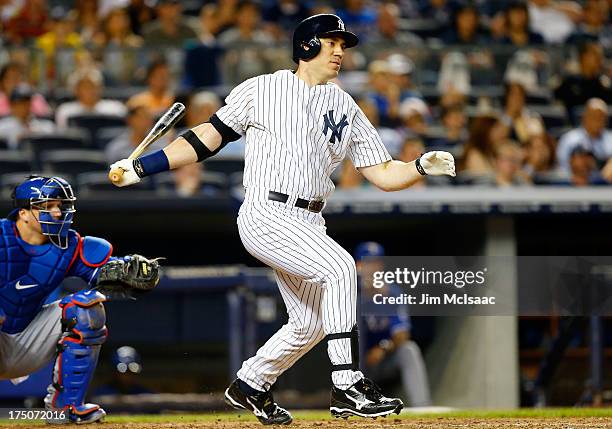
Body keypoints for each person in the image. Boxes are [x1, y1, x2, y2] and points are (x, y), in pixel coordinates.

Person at [109, 13, 455, 424]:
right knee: (343, 268)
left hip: (310, 220)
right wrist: (142, 167)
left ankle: (250, 383)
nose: (341, 51)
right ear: (308, 45)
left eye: (342, 44)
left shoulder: (345, 104)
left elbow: (382, 174)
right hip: (266, 212)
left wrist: (418, 166)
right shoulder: (263, 88)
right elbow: (208, 137)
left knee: (310, 324)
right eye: (333, 43)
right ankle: (347, 384)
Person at [0, 176, 160, 424]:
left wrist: (127, 271)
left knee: (87, 308)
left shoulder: (67, 246)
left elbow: (102, 272)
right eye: (47, 206)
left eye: (60, 205)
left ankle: (65, 408)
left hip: (23, 341)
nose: (56, 212)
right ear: (23, 213)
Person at [355, 242, 431, 407]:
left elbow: (402, 335)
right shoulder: (348, 292)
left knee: (409, 349)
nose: (372, 268)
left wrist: (383, 347)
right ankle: (353, 400)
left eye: (376, 263)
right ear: (358, 266)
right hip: (354, 365)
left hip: (381, 362)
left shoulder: (392, 293)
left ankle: (423, 407)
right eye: (367, 263)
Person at [55, 68, 126, 128]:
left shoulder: (116, 109)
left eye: (93, 86)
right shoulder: (65, 111)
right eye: (84, 87)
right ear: (75, 90)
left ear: (101, 88)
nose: (89, 90)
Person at [0, 84, 54, 150]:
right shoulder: (3, 127)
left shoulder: (44, 126)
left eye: (27, 102)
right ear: (11, 105)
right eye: (20, 103)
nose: (25, 107)